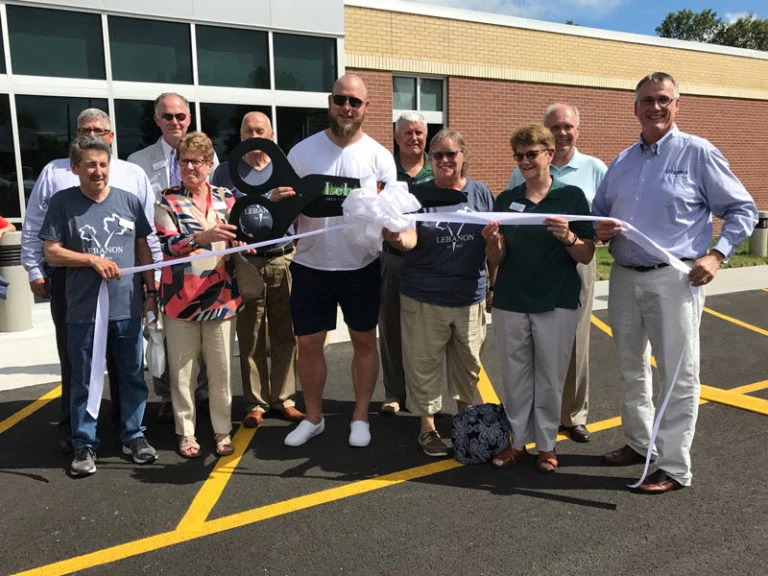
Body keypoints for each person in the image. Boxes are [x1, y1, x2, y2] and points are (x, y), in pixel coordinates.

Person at [594, 72, 758, 493]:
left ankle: (673, 465)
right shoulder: (623, 160)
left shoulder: (697, 152)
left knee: (678, 374)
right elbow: (599, 213)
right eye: (647, 100)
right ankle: (638, 443)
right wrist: (601, 230)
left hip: (676, 278)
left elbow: (742, 208)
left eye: (664, 99)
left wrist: (718, 254)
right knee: (632, 369)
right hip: (626, 277)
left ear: (677, 105)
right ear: (635, 108)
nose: (655, 107)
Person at [20, 108, 159, 452]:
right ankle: (84, 442)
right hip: (82, 306)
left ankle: (133, 435)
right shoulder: (62, 202)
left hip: (126, 303)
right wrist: (91, 260)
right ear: (76, 168)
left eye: (103, 164)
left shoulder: (128, 199)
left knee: (130, 373)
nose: (98, 171)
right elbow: (50, 250)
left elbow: (144, 245)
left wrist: (151, 291)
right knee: (83, 374)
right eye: (90, 165)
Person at [271, 73, 397, 448]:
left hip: (361, 265)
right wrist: (280, 203)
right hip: (311, 266)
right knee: (308, 345)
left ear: (365, 108)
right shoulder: (302, 152)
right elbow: (289, 212)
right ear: (330, 102)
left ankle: (360, 416)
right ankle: (313, 417)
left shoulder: (379, 157)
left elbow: (393, 214)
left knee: (363, 342)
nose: (346, 107)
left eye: (354, 102)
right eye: (340, 99)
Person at [485, 124, 594, 474]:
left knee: (550, 376)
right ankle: (517, 442)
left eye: (532, 154)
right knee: (515, 375)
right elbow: (497, 257)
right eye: (519, 156)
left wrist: (568, 237)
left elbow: (587, 255)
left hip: (556, 300)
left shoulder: (572, 197)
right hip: (511, 300)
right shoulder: (506, 199)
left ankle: (546, 445)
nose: (525, 161)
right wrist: (493, 239)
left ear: (550, 154)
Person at [384, 129, 493, 457]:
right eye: (438, 156)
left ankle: (465, 421)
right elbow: (410, 238)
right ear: (430, 161)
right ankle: (428, 428)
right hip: (424, 296)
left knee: (469, 364)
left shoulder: (481, 193)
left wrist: (493, 285)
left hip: (469, 295)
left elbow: (494, 247)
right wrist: (394, 238)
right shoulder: (417, 195)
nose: (444, 160)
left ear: (463, 157)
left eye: (451, 154)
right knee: (423, 364)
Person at [508, 103, 607, 443]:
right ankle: (532, 421)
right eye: (555, 127)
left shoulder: (593, 169)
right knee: (536, 351)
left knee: (576, 341)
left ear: (577, 129)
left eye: (568, 126)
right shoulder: (522, 172)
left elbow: (605, 218)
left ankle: (573, 415)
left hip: (577, 259)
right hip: (530, 270)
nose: (562, 132)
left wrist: (580, 237)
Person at [128, 92, 217, 421]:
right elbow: (140, 218)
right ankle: (168, 395)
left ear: (189, 118)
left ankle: (204, 393)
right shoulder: (138, 161)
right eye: (168, 116)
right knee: (163, 334)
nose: (175, 122)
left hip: (203, 262)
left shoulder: (209, 156)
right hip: (159, 260)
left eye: (180, 116)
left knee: (205, 327)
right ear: (157, 120)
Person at [211, 112, 303, 427]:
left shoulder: (285, 170)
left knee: (285, 333)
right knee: (249, 336)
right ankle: (256, 403)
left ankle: (284, 399)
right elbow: (220, 215)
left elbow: (299, 210)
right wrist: (268, 199)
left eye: (260, 131)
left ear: (271, 134)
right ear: (239, 136)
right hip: (246, 263)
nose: (254, 135)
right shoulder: (223, 173)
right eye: (248, 130)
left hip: (283, 258)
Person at [154, 132, 241, 458]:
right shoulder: (166, 200)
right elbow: (169, 246)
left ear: (209, 164)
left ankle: (222, 431)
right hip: (181, 301)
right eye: (184, 161)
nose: (190, 167)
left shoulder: (225, 198)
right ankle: (186, 433)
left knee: (221, 372)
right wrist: (203, 237)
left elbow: (243, 235)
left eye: (197, 161)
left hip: (221, 298)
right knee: (183, 374)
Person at [379, 112, 434, 416]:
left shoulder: (438, 167)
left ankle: (422, 394)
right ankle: (394, 392)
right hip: (394, 259)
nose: (414, 138)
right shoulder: (385, 171)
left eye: (419, 133)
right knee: (391, 327)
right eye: (408, 133)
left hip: (429, 261)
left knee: (427, 332)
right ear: (397, 137)